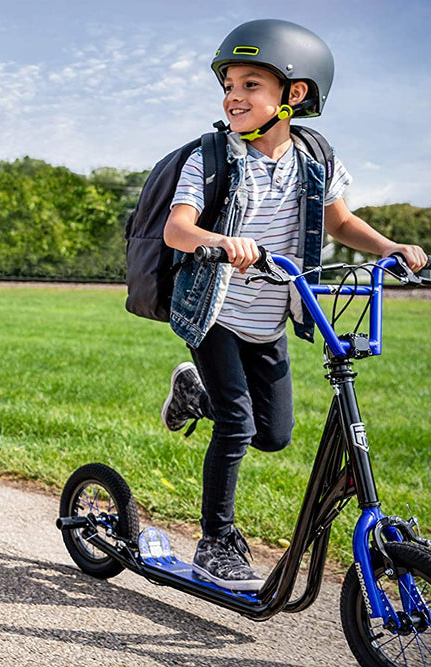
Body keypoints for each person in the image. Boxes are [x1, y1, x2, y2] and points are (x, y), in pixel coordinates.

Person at [159, 20, 428, 592]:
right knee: (237, 425)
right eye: (228, 84)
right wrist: (221, 242)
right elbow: (177, 231)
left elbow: (340, 221)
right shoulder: (211, 158)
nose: (233, 96)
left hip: (270, 316)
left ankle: (193, 395)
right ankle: (216, 541)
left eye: (251, 84)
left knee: (274, 434)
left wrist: (392, 248)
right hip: (215, 311)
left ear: (294, 94)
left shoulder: (315, 158)